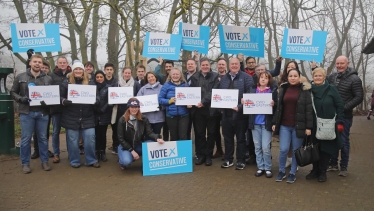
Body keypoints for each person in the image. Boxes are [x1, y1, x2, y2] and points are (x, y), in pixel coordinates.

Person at [10, 54, 53, 173]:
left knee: (43, 138)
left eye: (39, 62)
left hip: (42, 113)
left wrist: (47, 103)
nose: (37, 64)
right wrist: (21, 99)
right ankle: (25, 163)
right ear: (30, 63)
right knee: (26, 139)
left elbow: (52, 95)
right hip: (26, 112)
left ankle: (44, 161)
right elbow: (13, 92)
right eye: (35, 62)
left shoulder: (47, 79)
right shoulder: (20, 77)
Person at [272, 68, 313, 183]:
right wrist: (275, 122)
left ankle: (292, 172)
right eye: (291, 76)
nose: (293, 78)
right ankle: (281, 171)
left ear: (299, 77)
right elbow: (279, 109)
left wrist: (309, 127)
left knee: (296, 150)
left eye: (295, 76)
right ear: (288, 77)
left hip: (298, 126)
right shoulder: (284, 89)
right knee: (283, 149)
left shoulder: (305, 90)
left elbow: (308, 110)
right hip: (284, 125)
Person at [305, 68, 344, 182]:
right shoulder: (309, 90)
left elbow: (340, 104)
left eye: (320, 76)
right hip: (313, 124)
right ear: (313, 77)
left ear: (324, 77)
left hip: (328, 124)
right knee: (314, 148)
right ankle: (315, 170)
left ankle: (322, 172)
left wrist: (340, 120)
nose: (317, 78)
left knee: (325, 149)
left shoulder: (331, 89)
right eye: (315, 76)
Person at [327, 55, 363, 176]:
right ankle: (333, 164)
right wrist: (314, 68)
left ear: (347, 63)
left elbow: (359, 97)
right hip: (331, 116)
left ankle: (343, 166)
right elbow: (321, 81)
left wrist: (343, 108)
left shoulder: (355, 79)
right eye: (337, 64)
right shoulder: (332, 77)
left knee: (343, 141)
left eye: (342, 63)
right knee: (332, 140)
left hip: (345, 117)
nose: (339, 66)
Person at [60, 61, 100, 168]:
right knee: (72, 141)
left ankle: (91, 160)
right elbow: (59, 97)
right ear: (73, 71)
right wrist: (64, 101)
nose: (78, 71)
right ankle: (74, 161)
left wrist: (96, 100)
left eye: (80, 69)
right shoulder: (66, 83)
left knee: (90, 139)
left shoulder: (90, 82)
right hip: (71, 116)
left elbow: (97, 96)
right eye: (76, 69)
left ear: (83, 71)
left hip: (87, 116)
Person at [219, 58, 253, 170]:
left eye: (236, 64)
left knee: (241, 139)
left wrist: (240, 107)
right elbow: (219, 95)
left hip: (240, 115)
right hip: (226, 114)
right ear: (229, 66)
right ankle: (228, 159)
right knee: (227, 138)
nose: (234, 65)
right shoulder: (224, 79)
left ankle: (241, 160)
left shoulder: (247, 77)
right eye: (232, 64)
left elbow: (250, 96)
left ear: (240, 65)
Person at [245, 71, 277, 178]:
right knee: (257, 147)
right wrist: (243, 101)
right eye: (261, 77)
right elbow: (247, 103)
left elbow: (277, 108)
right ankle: (260, 167)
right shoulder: (252, 91)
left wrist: (274, 104)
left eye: (266, 78)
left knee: (265, 147)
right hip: (255, 124)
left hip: (266, 124)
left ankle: (268, 167)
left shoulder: (272, 92)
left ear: (269, 80)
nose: (263, 79)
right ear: (258, 79)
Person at [117, 98, 165, 169]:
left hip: (138, 144)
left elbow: (149, 133)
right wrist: (131, 151)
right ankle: (122, 158)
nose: (134, 109)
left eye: (136, 107)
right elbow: (121, 139)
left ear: (139, 108)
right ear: (128, 108)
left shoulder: (144, 118)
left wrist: (157, 138)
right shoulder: (122, 120)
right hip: (125, 146)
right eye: (132, 107)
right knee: (126, 162)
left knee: (154, 145)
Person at [189, 58, 220, 166]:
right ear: (200, 66)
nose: (205, 66)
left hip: (211, 110)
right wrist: (192, 102)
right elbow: (191, 93)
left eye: (207, 65)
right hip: (198, 110)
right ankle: (201, 155)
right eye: (203, 65)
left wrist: (203, 102)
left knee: (211, 134)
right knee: (200, 134)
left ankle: (208, 156)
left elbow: (214, 92)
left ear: (210, 65)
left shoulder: (215, 76)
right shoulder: (194, 77)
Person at [46, 56, 72, 163]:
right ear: (57, 64)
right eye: (60, 62)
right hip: (56, 108)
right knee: (56, 132)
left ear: (67, 63)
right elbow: (48, 91)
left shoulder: (72, 75)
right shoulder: (51, 76)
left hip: (69, 108)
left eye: (64, 62)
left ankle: (71, 153)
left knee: (69, 132)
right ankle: (56, 154)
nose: (62, 64)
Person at [111, 67, 141, 154]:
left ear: (131, 74)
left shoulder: (135, 84)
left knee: (130, 128)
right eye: (125, 73)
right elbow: (112, 95)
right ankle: (116, 146)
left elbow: (138, 96)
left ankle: (131, 146)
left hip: (131, 110)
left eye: (129, 73)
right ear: (122, 73)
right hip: (118, 109)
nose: (127, 75)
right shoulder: (117, 83)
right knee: (117, 129)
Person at [158, 67, 189, 141]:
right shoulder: (166, 85)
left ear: (180, 75)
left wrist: (189, 103)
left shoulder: (185, 85)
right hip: (171, 116)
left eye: (177, 74)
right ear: (170, 75)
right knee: (174, 136)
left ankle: (183, 153)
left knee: (183, 136)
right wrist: (169, 101)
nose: (175, 76)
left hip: (184, 115)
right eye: (173, 74)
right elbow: (160, 99)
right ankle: (175, 152)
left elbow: (190, 97)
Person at [137, 72, 164, 136]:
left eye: (152, 76)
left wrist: (162, 107)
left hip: (159, 118)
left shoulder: (162, 88)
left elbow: (166, 100)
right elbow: (137, 101)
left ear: (155, 78)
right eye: (148, 77)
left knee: (157, 136)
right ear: (147, 79)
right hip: (146, 118)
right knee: (147, 136)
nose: (151, 78)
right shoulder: (143, 89)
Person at [94, 71, 112, 162]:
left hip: (104, 114)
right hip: (94, 114)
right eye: (97, 77)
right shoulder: (92, 87)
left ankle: (103, 152)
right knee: (96, 135)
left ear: (104, 77)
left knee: (103, 134)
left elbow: (110, 100)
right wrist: (95, 108)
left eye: (101, 77)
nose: (99, 79)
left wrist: (103, 109)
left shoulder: (108, 87)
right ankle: (97, 152)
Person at [154, 57, 172, 141]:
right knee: (165, 127)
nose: (168, 68)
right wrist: (160, 63)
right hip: (165, 106)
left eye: (170, 66)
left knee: (173, 129)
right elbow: (156, 73)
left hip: (175, 107)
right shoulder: (163, 78)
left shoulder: (178, 77)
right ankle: (165, 142)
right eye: (166, 67)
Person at [103, 63, 119, 154]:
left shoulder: (117, 82)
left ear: (113, 71)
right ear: (105, 70)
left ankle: (115, 146)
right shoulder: (101, 80)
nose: (109, 71)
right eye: (107, 69)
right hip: (103, 109)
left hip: (114, 108)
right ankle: (102, 149)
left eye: (111, 69)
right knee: (103, 130)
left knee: (115, 129)